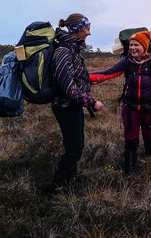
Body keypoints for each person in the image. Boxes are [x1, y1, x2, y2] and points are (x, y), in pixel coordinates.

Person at [90, 30, 151, 174]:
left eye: (136, 45)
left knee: (149, 135)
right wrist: (86, 77)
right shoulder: (127, 62)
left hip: (149, 109)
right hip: (130, 109)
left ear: (144, 47)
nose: (132, 48)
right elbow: (108, 73)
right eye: (130, 45)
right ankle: (129, 170)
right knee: (131, 139)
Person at [50, 13, 104, 191]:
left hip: (73, 107)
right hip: (65, 107)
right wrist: (92, 102)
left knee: (75, 145)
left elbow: (75, 76)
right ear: (78, 30)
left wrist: (89, 81)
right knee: (74, 149)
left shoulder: (73, 49)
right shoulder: (63, 52)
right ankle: (58, 186)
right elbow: (68, 88)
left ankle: (69, 179)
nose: (89, 33)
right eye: (87, 29)